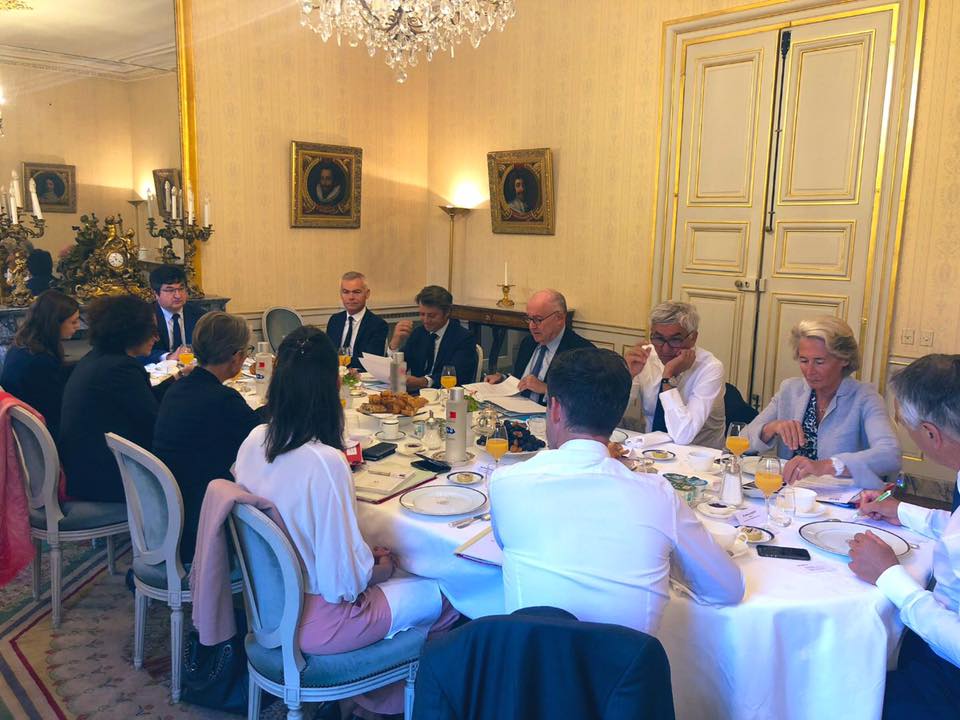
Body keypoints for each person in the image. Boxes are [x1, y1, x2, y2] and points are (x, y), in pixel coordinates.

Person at [234, 327, 458, 717]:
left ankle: (368, 695)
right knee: (455, 593)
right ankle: (379, 701)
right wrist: (378, 568)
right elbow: (343, 585)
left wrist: (362, 560)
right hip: (324, 625)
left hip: (267, 610)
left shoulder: (253, 439)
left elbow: (291, 535)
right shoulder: (324, 461)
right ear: (334, 387)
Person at [489, 347, 744, 634]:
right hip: (624, 674)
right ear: (619, 409)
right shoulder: (658, 496)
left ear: (555, 408)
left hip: (528, 669)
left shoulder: (506, 482)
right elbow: (728, 589)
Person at [848, 354, 960, 719]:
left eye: (905, 424)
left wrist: (889, 576)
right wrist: (901, 510)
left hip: (949, 674)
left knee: (845, 694)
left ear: (930, 433)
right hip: (932, 635)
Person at [153, 312, 261, 563]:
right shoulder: (222, 400)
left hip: (169, 511)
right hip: (202, 522)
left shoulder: (179, 388)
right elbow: (261, 440)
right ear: (236, 358)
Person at [744, 316, 900, 488]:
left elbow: (890, 455)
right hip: (791, 495)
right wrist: (771, 428)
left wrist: (827, 466)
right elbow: (741, 440)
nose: (809, 371)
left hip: (842, 501)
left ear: (844, 359)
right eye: (804, 361)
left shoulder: (864, 397)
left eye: (819, 362)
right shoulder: (790, 390)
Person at [60, 294, 187, 503]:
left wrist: (177, 379)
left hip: (83, 466)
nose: (156, 338)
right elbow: (154, 424)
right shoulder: (121, 369)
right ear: (132, 331)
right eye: (152, 331)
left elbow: (144, 401)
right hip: (107, 477)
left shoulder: (96, 359)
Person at [621, 301, 726, 448]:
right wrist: (626, 376)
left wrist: (668, 378)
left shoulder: (710, 368)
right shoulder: (645, 356)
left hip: (700, 458)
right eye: (658, 338)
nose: (664, 349)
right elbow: (609, 417)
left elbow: (683, 435)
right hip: (651, 451)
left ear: (693, 338)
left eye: (675, 340)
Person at [485, 289, 593, 405]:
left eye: (538, 320)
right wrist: (502, 379)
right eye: (529, 319)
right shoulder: (528, 343)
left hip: (548, 420)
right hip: (514, 414)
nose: (531, 326)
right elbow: (520, 379)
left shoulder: (581, 352)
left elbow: (584, 399)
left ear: (560, 318)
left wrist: (547, 389)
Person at [0, 290, 79, 439]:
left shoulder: (22, 348)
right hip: (42, 435)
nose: (77, 326)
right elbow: (57, 410)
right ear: (54, 323)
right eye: (73, 321)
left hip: (25, 431)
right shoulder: (40, 361)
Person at [388, 285, 477, 390]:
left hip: (445, 395)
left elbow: (457, 374)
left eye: (431, 316)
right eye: (422, 314)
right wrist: (395, 343)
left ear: (447, 312)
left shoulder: (463, 338)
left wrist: (424, 382)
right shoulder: (419, 333)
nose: (425, 320)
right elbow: (400, 366)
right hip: (417, 395)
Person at [325, 271, 388, 371]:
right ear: (341, 294)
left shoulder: (378, 325)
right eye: (346, 292)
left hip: (362, 379)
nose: (351, 297)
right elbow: (327, 355)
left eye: (356, 292)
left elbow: (370, 362)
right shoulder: (334, 321)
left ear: (367, 294)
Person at [142, 265, 204, 365]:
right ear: (155, 294)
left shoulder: (200, 315)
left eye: (181, 288)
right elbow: (138, 353)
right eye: (170, 290)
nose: (178, 295)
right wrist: (168, 356)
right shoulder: (145, 316)